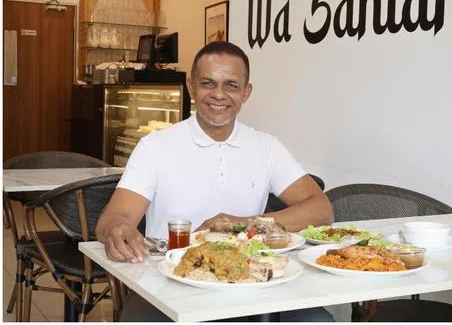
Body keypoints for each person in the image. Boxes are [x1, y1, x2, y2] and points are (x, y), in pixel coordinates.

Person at [96, 42, 335, 321]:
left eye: (231, 85)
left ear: (247, 92)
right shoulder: (155, 147)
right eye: (208, 83)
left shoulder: (266, 146)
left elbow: (322, 209)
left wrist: (243, 224)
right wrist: (117, 229)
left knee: (316, 320)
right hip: (172, 283)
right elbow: (114, 217)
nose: (218, 95)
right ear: (190, 85)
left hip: (251, 281)